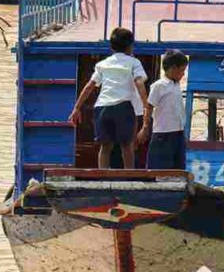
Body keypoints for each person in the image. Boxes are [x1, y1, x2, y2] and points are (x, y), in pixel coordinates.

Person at [69, 27, 149, 169]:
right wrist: (145, 105)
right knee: (127, 146)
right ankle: (129, 177)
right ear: (130, 46)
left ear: (111, 47)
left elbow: (90, 86)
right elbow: (139, 83)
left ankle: (103, 178)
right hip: (123, 107)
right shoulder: (134, 63)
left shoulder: (103, 64)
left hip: (102, 107)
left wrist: (77, 108)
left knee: (105, 147)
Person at [138, 50, 188, 169]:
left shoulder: (176, 85)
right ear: (173, 68)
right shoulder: (159, 86)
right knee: (159, 167)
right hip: (163, 134)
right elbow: (149, 106)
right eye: (182, 71)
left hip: (178, 132)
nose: (183, 74)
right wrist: (145, 127)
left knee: (177, 167)